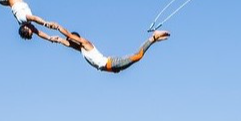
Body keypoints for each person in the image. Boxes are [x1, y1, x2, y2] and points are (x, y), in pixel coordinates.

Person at [37, 26, 171, 73]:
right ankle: (153, 40)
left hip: (111, 63)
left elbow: (68, 35)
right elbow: (64, 41)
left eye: (73, 40)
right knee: (137, 56)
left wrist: (56, 27)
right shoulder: (82, 49)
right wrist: (52, 38)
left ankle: (153, 38)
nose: (71, 42)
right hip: (112, 67)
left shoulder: (85, 43)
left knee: (138, 56)